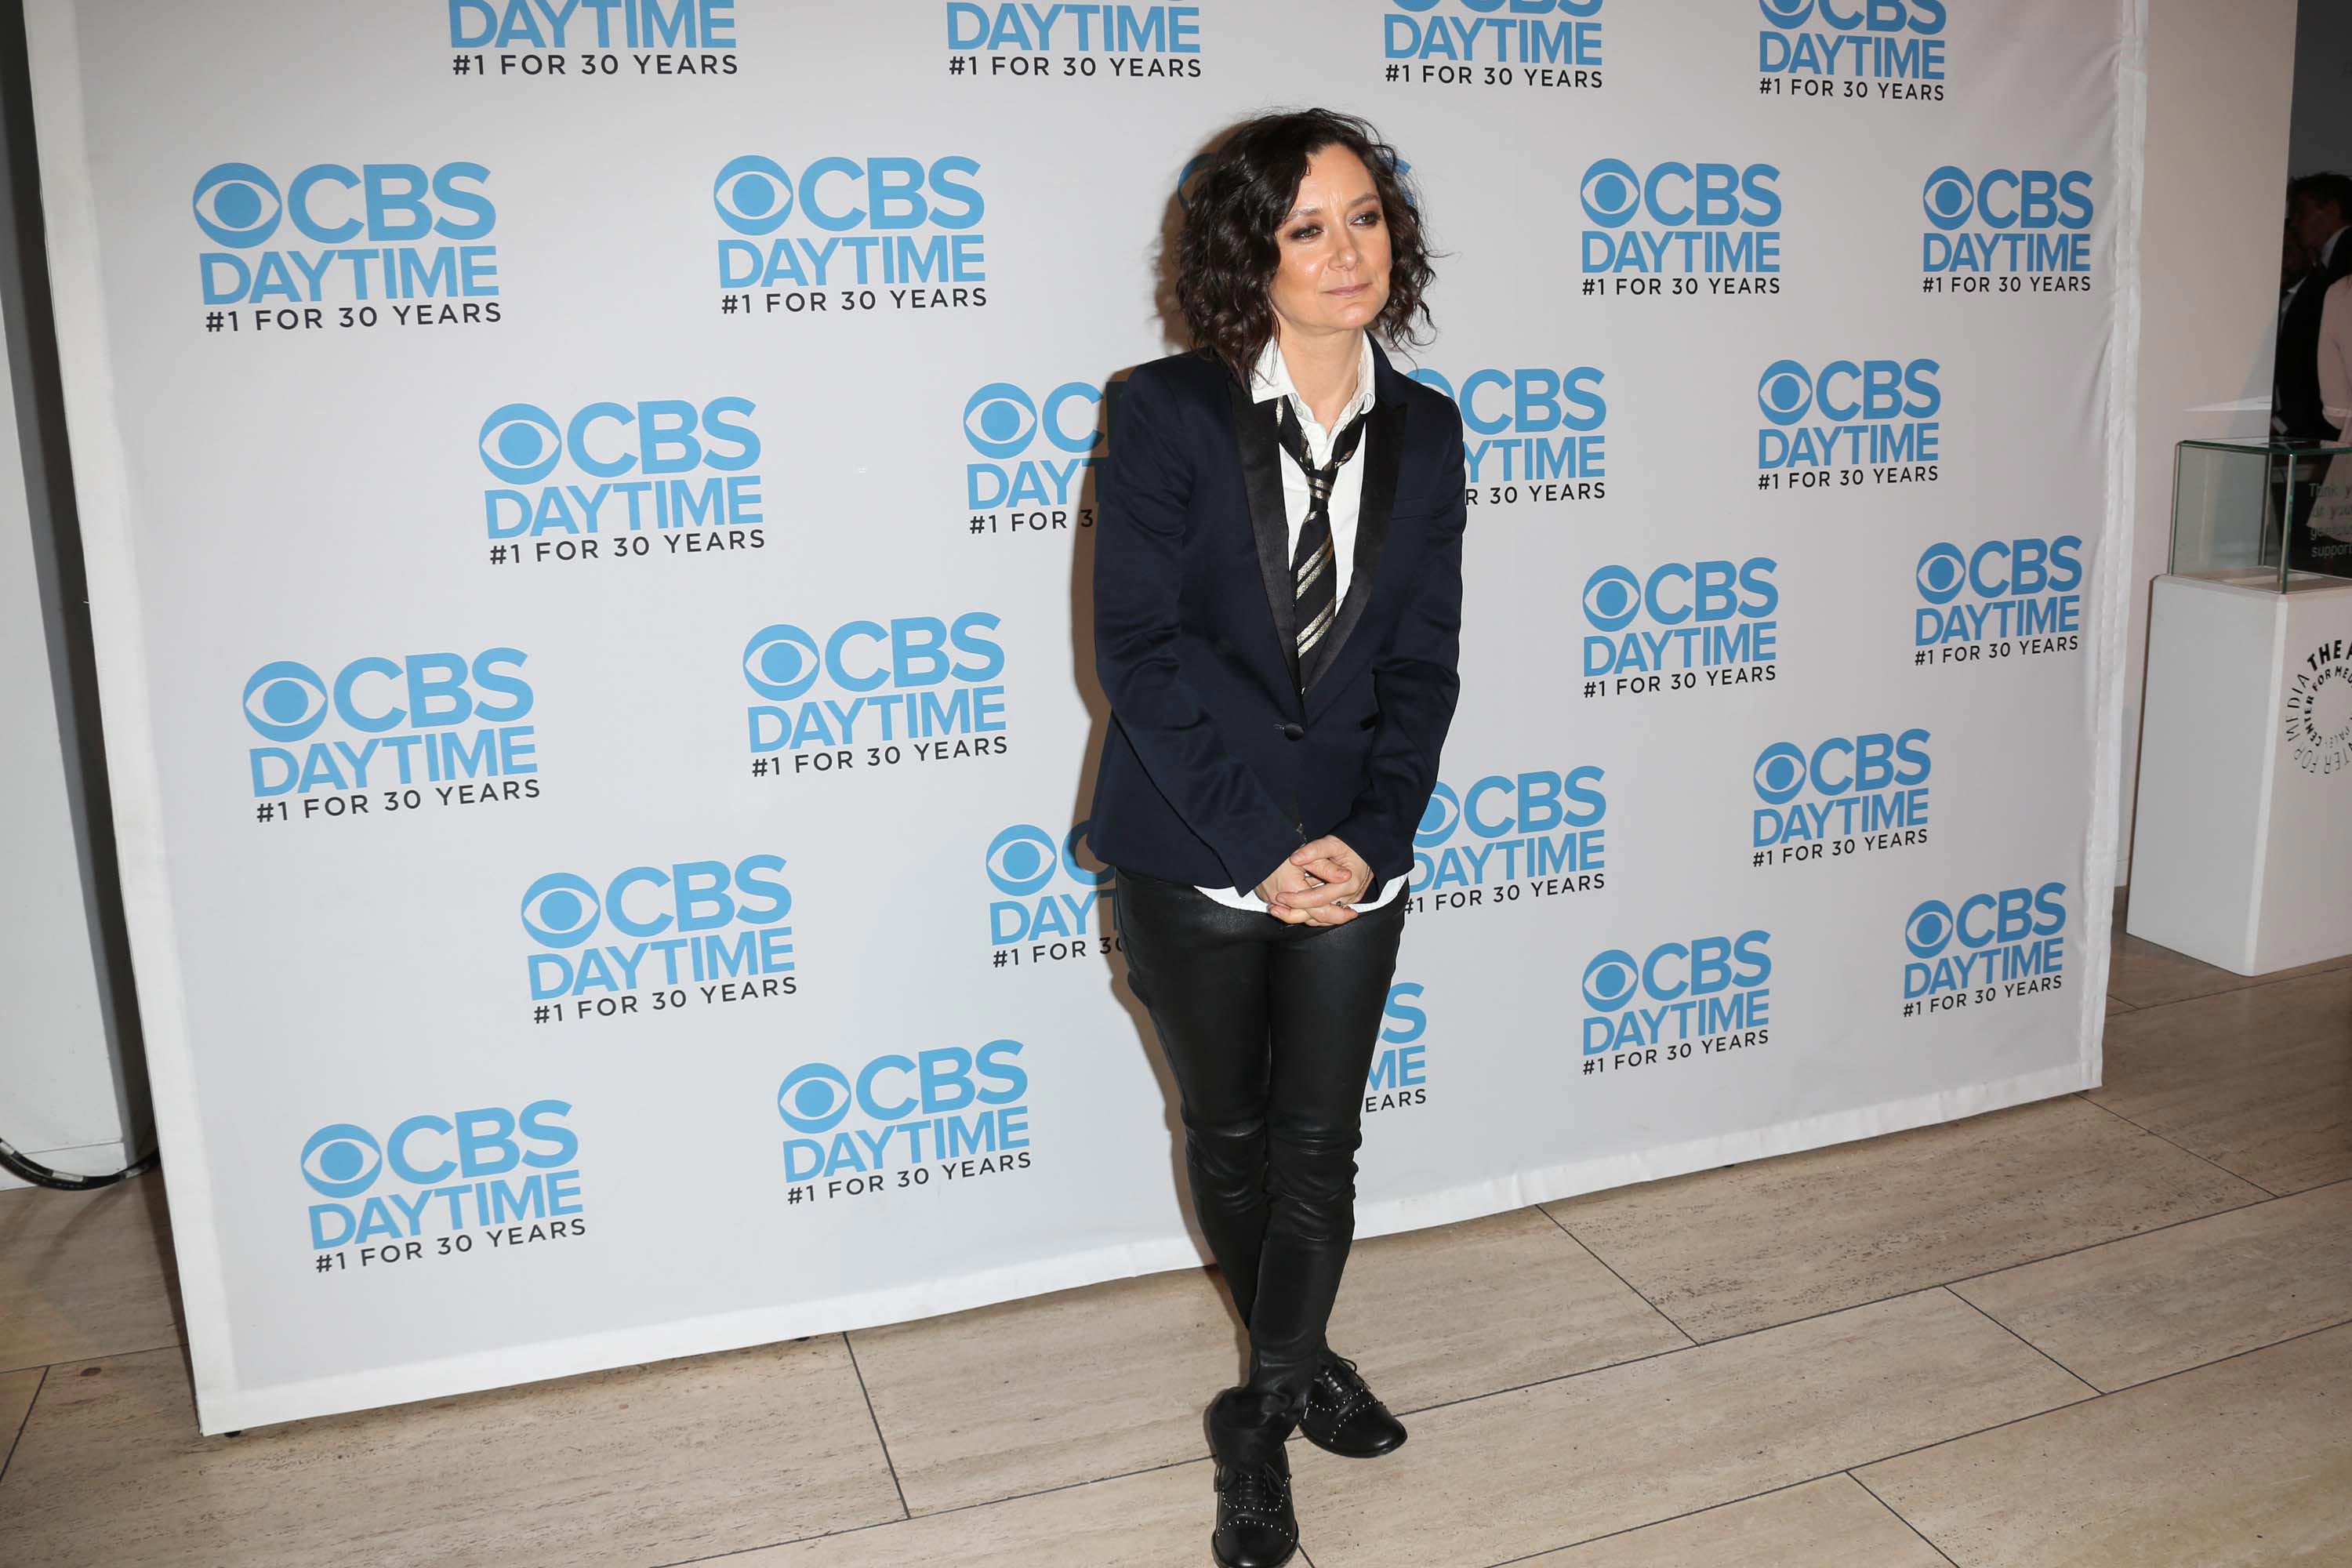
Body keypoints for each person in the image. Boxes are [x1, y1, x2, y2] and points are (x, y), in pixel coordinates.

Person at [1087, 109, 1466, 1568]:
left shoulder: (1427, 428)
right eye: (1307, 226)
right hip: (1190, 845)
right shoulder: (1165, 408)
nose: (1346, 250)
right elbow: (1142, 655)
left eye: (1365, 216)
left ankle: (1257, 1419)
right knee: (1231, 1137)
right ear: (1250, 253)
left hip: (1359, 855)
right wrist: (1262, 845)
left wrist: (1367, 837)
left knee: (1322, 1142)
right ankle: (1299, 1362)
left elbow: (1423, 661)